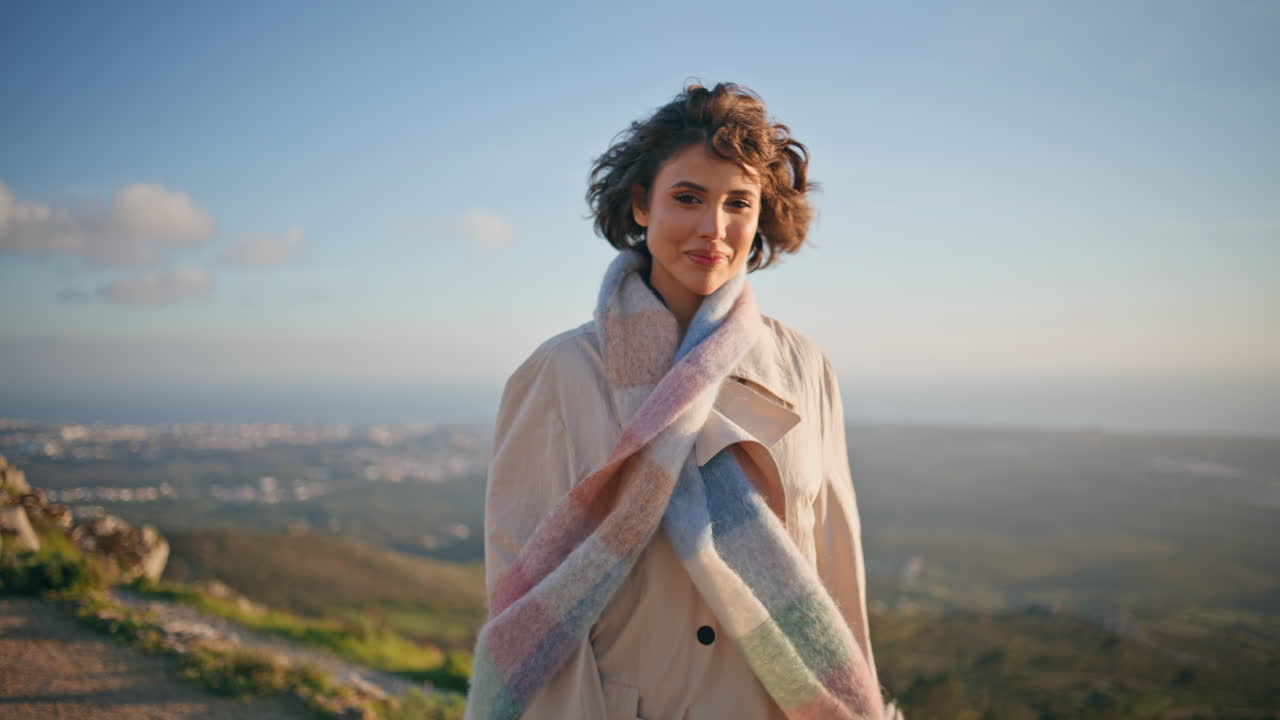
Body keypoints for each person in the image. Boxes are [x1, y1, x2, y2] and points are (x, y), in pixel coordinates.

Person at [465, 82, 894, 720]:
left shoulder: (805, 367)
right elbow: (526, 602)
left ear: (760, 217)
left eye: (738, 203)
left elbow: (834, 563)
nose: (712, 228)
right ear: (641, 204)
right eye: (687, 197)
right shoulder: (558, 374)